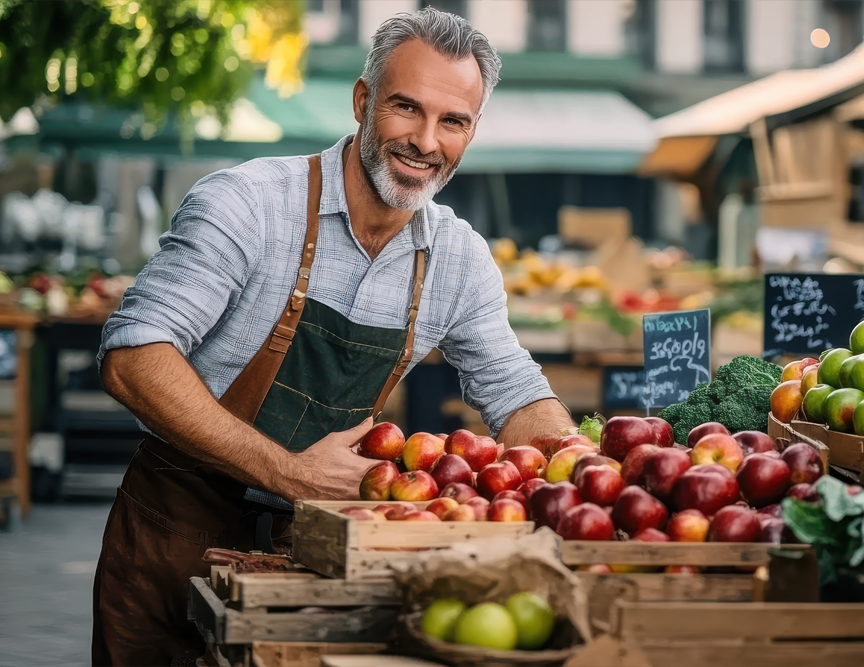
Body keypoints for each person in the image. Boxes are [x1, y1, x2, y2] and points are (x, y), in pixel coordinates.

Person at [92, 8, 574, 666]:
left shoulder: (458, 259)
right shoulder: (249, 204)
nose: (426, 141)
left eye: (452, 121)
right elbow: (133, 356)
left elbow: (517, 394)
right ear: (362, 100)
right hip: (173, 537)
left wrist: (592, 481)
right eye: (407, 108)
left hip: (316, 561)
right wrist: (287, 472)